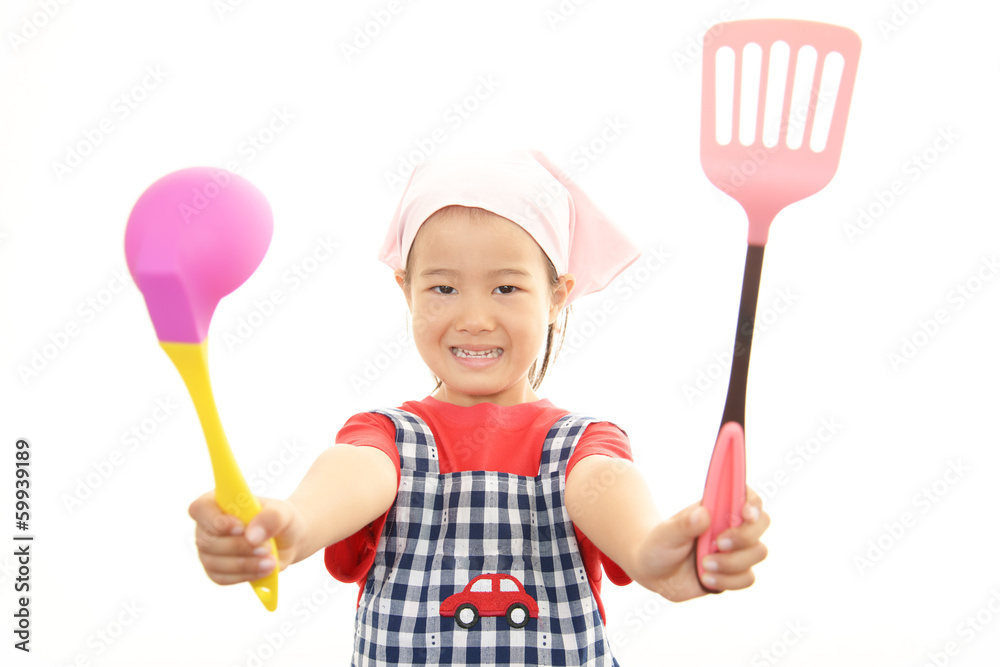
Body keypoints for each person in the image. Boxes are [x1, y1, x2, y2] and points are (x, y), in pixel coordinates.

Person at [188, 148, 770, 666]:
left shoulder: (580, 445)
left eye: (506, 288)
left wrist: (654, 553)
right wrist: (292, 526)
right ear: (406, 290)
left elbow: (607, 488)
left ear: (557, 297)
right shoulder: (387, 438)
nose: (473, 318)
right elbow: (355, 473)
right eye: (443, 288)